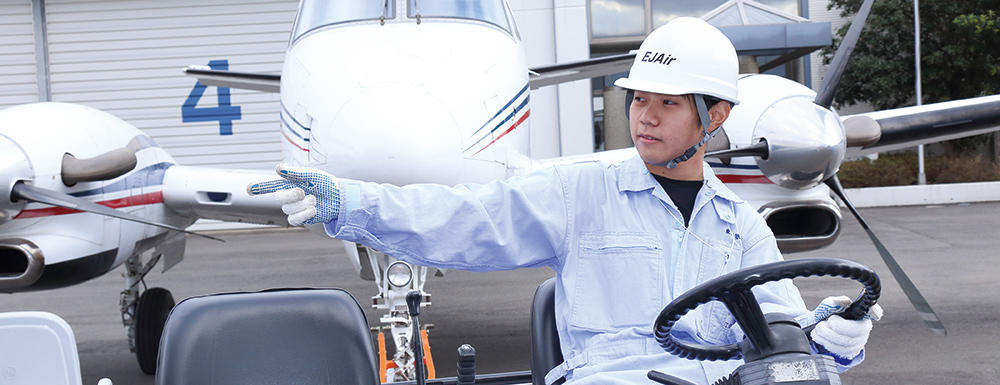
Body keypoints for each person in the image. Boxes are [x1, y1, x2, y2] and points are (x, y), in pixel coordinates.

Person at [248, 17, 882, 385]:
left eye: (667, 104)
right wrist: (344, 202)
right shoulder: (579, 194)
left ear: (713, 114)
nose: (645, 118)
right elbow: (462, 220)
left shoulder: (740, 227)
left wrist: (836, 336)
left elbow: (783, 342)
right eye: (638, 100)